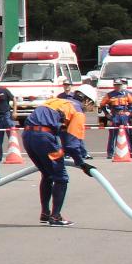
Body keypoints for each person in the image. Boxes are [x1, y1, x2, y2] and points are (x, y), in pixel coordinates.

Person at [22, 87, 92, 226]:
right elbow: (72, 144)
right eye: (91, 104)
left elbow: (63, 134)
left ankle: (45, 213)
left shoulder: (57, 101)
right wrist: (82, 164)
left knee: (47, 174)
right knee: (61, 178)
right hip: (44, 138)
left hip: (27, 136)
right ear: (86, 100)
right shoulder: (77, 111)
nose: (90, 108)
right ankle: (55, 216)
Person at [100, 79, 132, 158]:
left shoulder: (128, 93)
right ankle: (110, 153)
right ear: (114, 86)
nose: (117, 87)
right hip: (115, 116)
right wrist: (107, 114)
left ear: (122, 85)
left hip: (125, 116)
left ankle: (129, 151)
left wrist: (131, 112)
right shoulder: (109, 95)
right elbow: (102, 105)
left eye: (119, 85)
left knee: (128, 133)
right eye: (116, 85)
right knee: (113, 134)